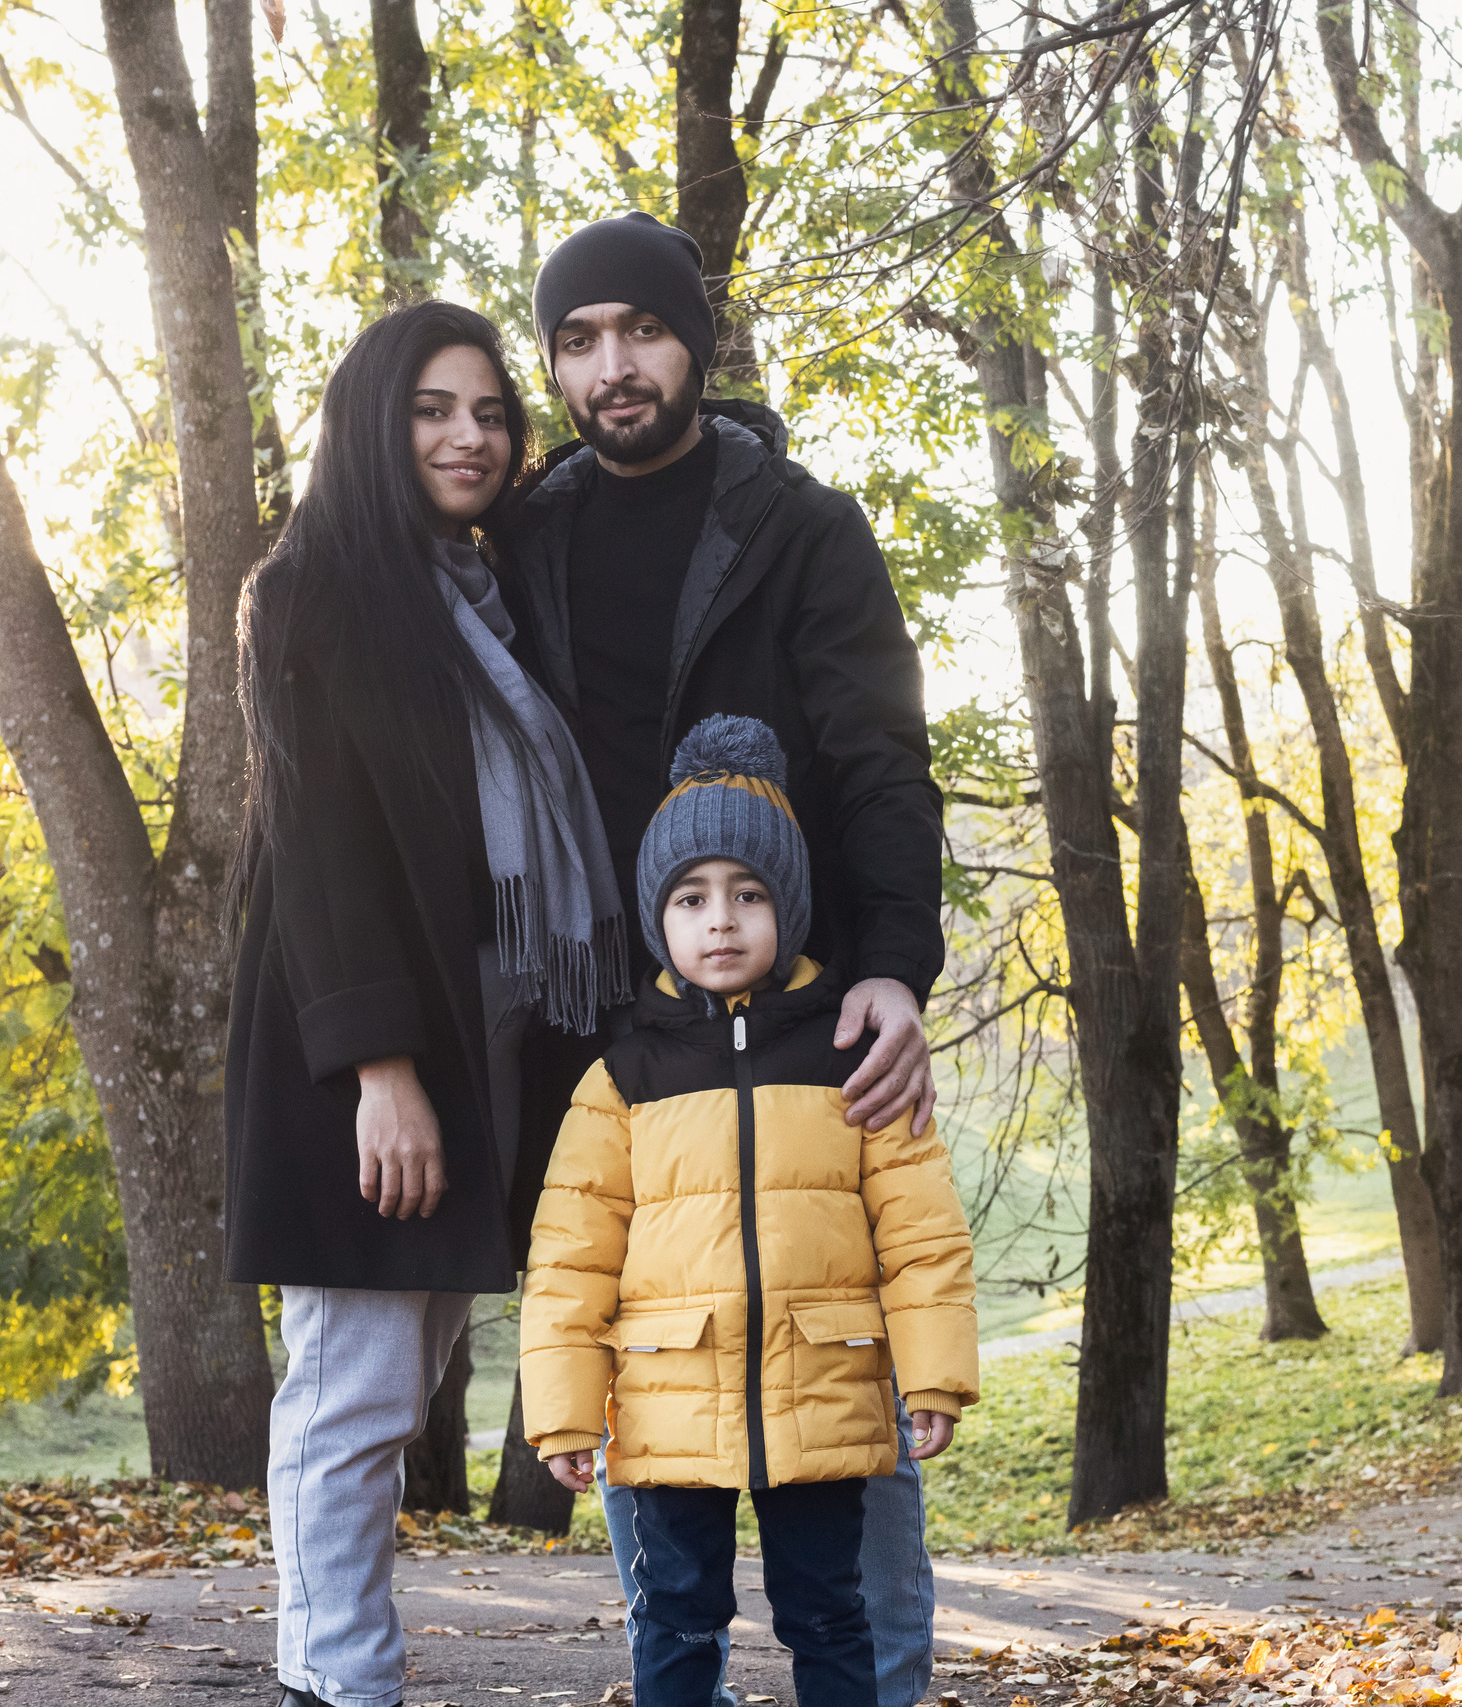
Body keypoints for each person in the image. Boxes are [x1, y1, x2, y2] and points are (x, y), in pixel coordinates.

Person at [499, 211, 949, 1706]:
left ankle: (877, 1685)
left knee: (840, 1357)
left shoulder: (802, 527)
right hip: (610, 1020)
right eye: (578, 340)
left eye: (640, 330)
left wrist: (892, 962)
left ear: (696, 340)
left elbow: (884, 754)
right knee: (654, 1389)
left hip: (807, 1004)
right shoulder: (528, 533)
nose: (612, 366)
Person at [226, 300, 629, 1707]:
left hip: (492, 1045)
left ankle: (335, 1670)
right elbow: (320, 844)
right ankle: (341, 1683)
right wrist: (379, 1069)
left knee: (411, 1371)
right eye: (432, 409)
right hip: (372, 1054)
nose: (471, 436)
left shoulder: (488, 600)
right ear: (373, 423)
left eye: (491, 411)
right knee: (355, 1392)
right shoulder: (313, 591)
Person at [518, 716, 978, 1707]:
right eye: (691, 898)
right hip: (669, 1398)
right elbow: (570, 1257)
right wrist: (560, 1411)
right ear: (658, 918)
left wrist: (932, 1375)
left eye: (748, 894)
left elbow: (920, 1234)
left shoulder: (850, 1058)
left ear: (790, 907)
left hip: (824, 1389)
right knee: (676, 1614)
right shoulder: (624, 1078)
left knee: (828, 1611)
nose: (719, 920)